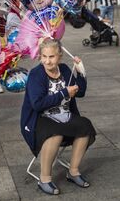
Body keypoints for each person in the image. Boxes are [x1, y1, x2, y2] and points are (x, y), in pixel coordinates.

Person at [20, 39, 95, 195]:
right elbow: (37, 104)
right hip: (38, 119)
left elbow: (80, 92)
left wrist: (80, 72)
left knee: (85, 126)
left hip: (64, 115)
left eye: (52, 57)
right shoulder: (36, 74)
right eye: (44, 56)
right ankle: (44, 179)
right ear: (40, 56)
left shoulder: (65, 69)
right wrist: (63, 93)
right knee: (55, 133)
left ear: (59, 56)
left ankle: (73, 172)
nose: (48, 61)